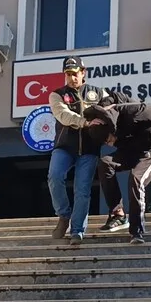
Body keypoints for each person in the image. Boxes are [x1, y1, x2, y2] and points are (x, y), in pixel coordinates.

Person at [84, 92, 151, 244]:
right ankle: (118, 214)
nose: (110, 144)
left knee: (136, 180)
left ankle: (137, 231)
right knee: (105, 163)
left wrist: (122, 108)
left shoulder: (133, 112)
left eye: (109, 140)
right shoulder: (106, 122)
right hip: (131, 151)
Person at [46, 56, 109, 245]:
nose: (72, 77)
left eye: (75, 73)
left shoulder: (99, 93)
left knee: (82, 190)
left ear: (83, 72)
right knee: (55, 176)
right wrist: (85, 122)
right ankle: (63, 216)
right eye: (68, 74)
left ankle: (77, 230)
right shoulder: (57, 94)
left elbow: (112, 112)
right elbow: (63, 115)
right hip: (64, 146)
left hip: (89, 149)